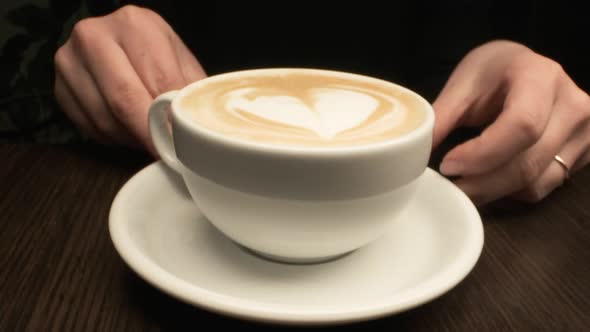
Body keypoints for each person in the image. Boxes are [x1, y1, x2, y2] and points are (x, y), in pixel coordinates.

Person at [26, 2, 590, 205]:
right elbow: (96, 37)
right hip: (175, 188)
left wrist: (522, 57)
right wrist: (102, 46)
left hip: (443, 173)